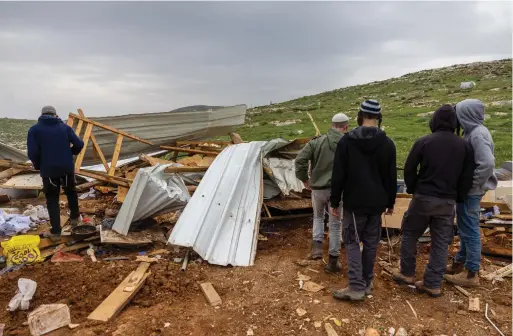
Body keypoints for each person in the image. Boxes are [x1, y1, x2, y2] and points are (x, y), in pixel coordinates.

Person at [391, 104, 474, 297]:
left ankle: (407, 272)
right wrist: (459, 197)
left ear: (434, 121)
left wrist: (412, 188)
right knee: (440, 242)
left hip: (423, 198)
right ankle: (433, 283)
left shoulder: (424, 141)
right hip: (447, 202)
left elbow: (410, 168)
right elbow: (467, 176)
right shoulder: (465, 146)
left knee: (410, 234)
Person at [330, 99, 397, 301]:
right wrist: (391, 202)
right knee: (370, 243)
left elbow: (338, 174)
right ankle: (367, 282)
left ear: (360, 115)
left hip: (354, 202)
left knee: (351, 241)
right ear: (378, 117)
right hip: (376, 203)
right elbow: (390, 176)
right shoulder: (387, 144)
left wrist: (334, 201)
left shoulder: (347, 141)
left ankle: (356, 286)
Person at [444, 99, 497, 287]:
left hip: (471, 192)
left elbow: (487, 163)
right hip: (470, 190)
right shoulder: (473, 132)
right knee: (466, 228)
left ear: (465, 114)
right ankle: (459, 263)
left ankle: (470, 274)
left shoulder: (477, 135)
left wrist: (472, 185)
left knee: (470, 230)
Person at [295, 113, 349, 273]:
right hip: (338, 192)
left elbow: (300, 160)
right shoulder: (348, 144)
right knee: (335, 223)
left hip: (317, 189)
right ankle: (333, 260)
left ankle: (317, 249)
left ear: (332, 125)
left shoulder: (316, 142)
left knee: (318, 217)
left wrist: (305, 179)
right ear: (345, 127)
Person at [27, 106, 84, 239]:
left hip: (49, 170)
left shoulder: (34, 130)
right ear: (55, 114)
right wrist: (71, 152)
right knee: (71, 192)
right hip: (66, 169)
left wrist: (38, 165)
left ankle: (56, 231)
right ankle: (75, 220)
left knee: (52, 199)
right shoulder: (64, 127)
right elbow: (79, 144)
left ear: (42, 115)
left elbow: (33, 153)